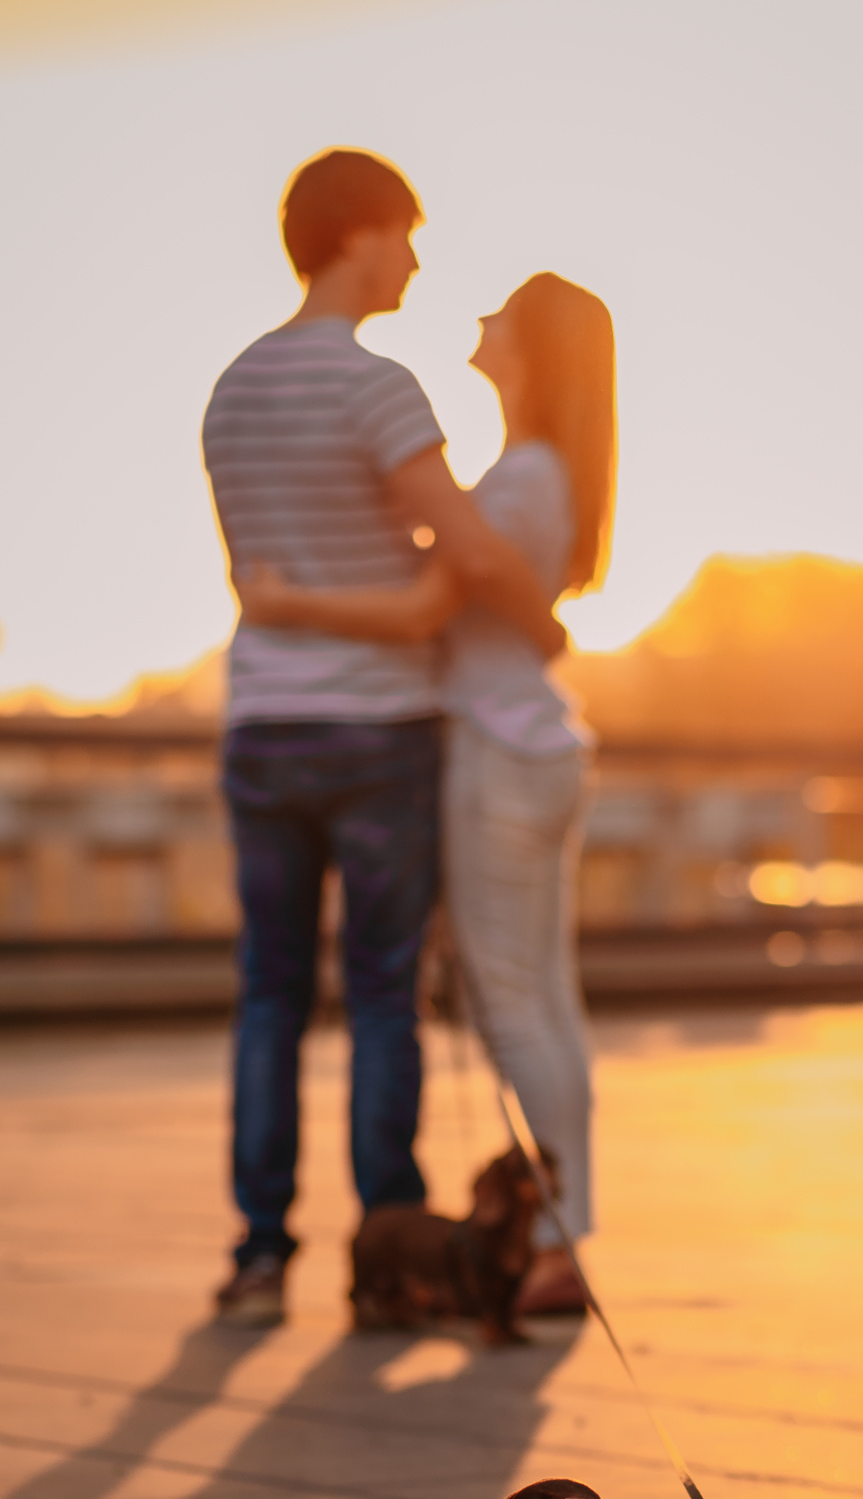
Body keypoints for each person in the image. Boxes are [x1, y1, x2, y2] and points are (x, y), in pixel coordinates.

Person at [201, 149, 563, 1327]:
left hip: (262, 725)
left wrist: (316, 599)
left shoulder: (232, 390)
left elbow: (262, 576)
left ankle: (260, 1256)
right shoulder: (378, 389)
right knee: (376, 997)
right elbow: (465, 550)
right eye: (405, 235)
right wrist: (540, 619)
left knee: (268, 995)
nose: (413, 259)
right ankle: (388, 1249)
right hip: (376, 730)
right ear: (356, 234)